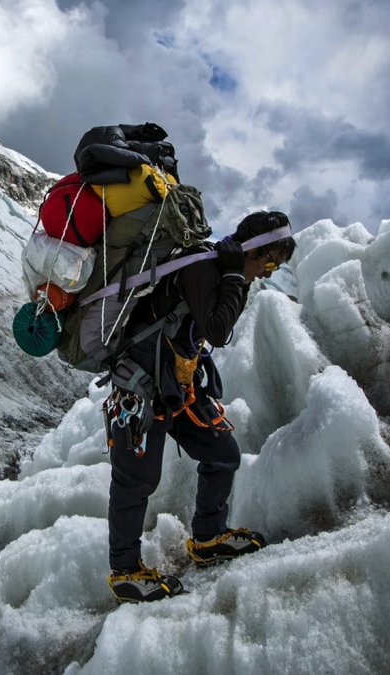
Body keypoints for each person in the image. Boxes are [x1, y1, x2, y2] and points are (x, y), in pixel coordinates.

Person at [105, 210, 297, 603]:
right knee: (135, 481)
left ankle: (208, 537)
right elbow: (218, 330)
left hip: (176, 387)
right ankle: (126, 572)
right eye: (270, 261)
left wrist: (233, 278)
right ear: (254, 249)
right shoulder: (205, 268)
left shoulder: (222, 270)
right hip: (139, 388)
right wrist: (230, 277)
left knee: (223, 453)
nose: (269, 272)